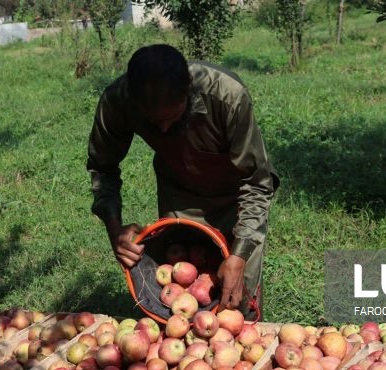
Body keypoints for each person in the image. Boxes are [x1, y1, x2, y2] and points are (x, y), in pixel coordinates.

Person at [86, 44, 279, 319]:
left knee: (236, 302)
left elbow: (257, 181)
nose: (164, 129)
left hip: (235, 197)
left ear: (189, 90)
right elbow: (102, 167)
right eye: (153, 122)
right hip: (178, 193)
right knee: (179, 299)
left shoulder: (227, 96)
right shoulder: (118, 100)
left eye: (171, 118)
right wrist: (115, 229)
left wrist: (239, 255)